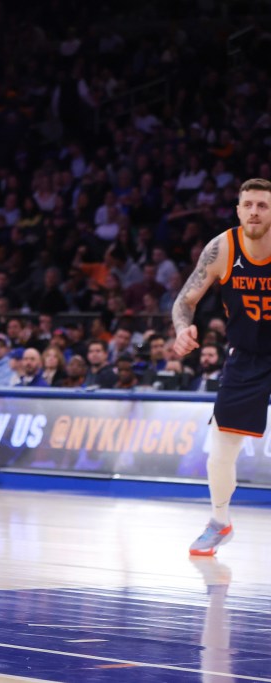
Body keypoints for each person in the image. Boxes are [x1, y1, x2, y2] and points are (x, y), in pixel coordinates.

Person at [171, 177, 271, 556]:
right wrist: (182, 329)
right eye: (249, 205)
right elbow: (185, 300)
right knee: (221, 451)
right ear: (238, 210)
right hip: (245, 354)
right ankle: (219, 521)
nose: (255, 212)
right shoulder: (222, 248)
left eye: (263, 205)